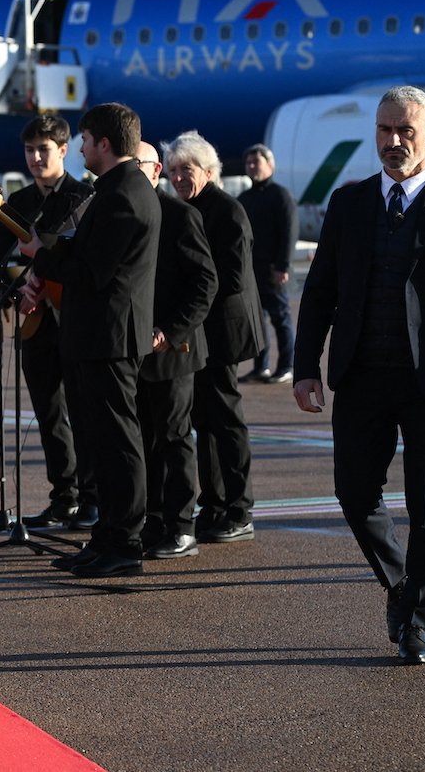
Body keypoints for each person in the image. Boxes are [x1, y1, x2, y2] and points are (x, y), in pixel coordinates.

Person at [294, 85, 425, 665]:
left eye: (405, 130)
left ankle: (418, 622)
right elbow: (320, 290)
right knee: (354, 493)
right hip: (361, 374)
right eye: (384, 130)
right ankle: (401, 589)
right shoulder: (348, 204)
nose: (393, 141)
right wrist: (304, 368)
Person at [18, 103, 160, 578]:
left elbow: (93, 273)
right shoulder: (117, 189)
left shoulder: (122, 194)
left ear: (103, 143)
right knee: (100, 442)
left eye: (82, 139)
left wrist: (41, 257)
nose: (79, 147)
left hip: (109, 337)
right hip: (98, 336)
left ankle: (125, 543)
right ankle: (105, 537)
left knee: (117, 444)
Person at [0, 114, 98, 531]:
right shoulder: (16, 202)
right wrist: (15, 292)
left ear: (63, 150)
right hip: (34, 320)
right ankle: (63, 496)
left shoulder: (84, 196)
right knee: (48, 411)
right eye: (29, 150)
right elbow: (0, 262)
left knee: (82, 410)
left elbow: (85, 262)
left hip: (73, 318)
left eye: (44, 150)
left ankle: (92, 496)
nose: (36, 157)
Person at [164, 131, 265, 544]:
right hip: (199, 329)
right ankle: (215, 504)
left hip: (223, 329)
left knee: (225, 419)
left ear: (209, 171)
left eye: (186, 170)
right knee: (203, 419)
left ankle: (240, 509)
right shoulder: (185, 207)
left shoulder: (227, 210)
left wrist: (188, 304)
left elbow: (232, 278)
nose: (178, 178)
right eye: (172, 171)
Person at [133, 142, 218, 559]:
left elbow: (205, 283)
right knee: (146, 437)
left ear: (155, 171)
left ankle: (182, 527)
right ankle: (154, 519)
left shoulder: (181, 215)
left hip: (173, 346)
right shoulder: (126, 213)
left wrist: (169, 330)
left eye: (138, 166)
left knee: (174, 436)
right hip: (135, 348)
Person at [238, 143, 299, 384]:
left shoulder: (281, 195)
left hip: (275, 270)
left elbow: (289, 232)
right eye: (249, 163)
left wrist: (283, 266)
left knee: (280, 318)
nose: (252, 167)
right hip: (251, 271)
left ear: (270, 166)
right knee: (257, 320)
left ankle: (286, 367)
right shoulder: (245, 198)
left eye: (257, 162)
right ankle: (260, 367)